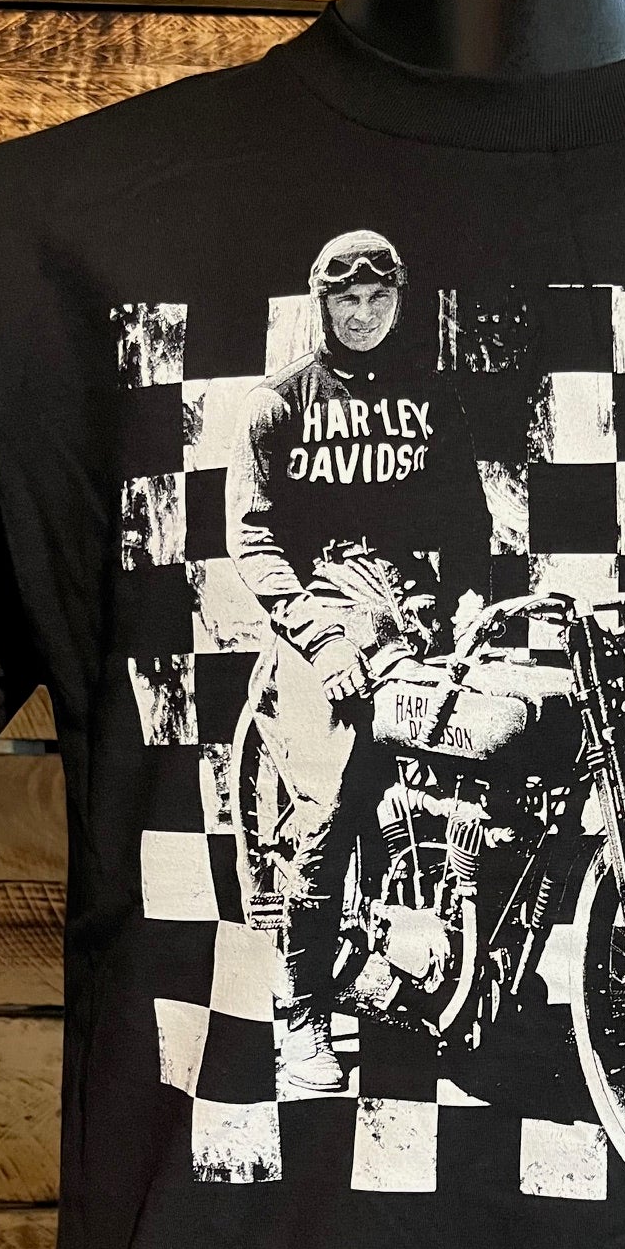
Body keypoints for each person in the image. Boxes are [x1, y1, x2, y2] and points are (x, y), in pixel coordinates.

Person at [226, 229, 492, 1092]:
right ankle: (302, 1014)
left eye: (380, 299)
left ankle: (463, 968)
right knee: (333, 801)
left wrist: (469, 604)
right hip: (321, 621)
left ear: (399, 302)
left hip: (412, 616)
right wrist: (321, 636)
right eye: (349, 300)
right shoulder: (277, 406)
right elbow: (253, 538)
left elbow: (469, 525)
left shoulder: (434, 400)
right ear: (323, 303)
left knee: (491, 763)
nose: (365, 314)